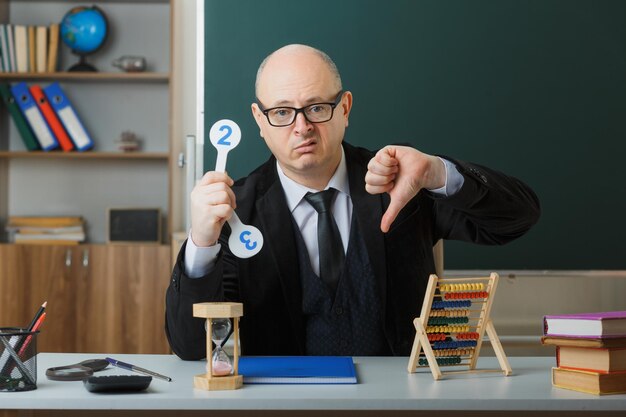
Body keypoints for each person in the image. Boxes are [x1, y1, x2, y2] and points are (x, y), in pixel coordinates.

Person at [165, 44, 540, 360]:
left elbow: (519, 218)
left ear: (344, 107)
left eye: (316, 107)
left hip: (402, 404)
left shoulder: (400, 180)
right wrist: (201, 245)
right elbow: (190, 348)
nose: (302, 127)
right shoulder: (237, 212)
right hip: (283, 407)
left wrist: (438, 173)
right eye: (281, 112)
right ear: (259, 121)